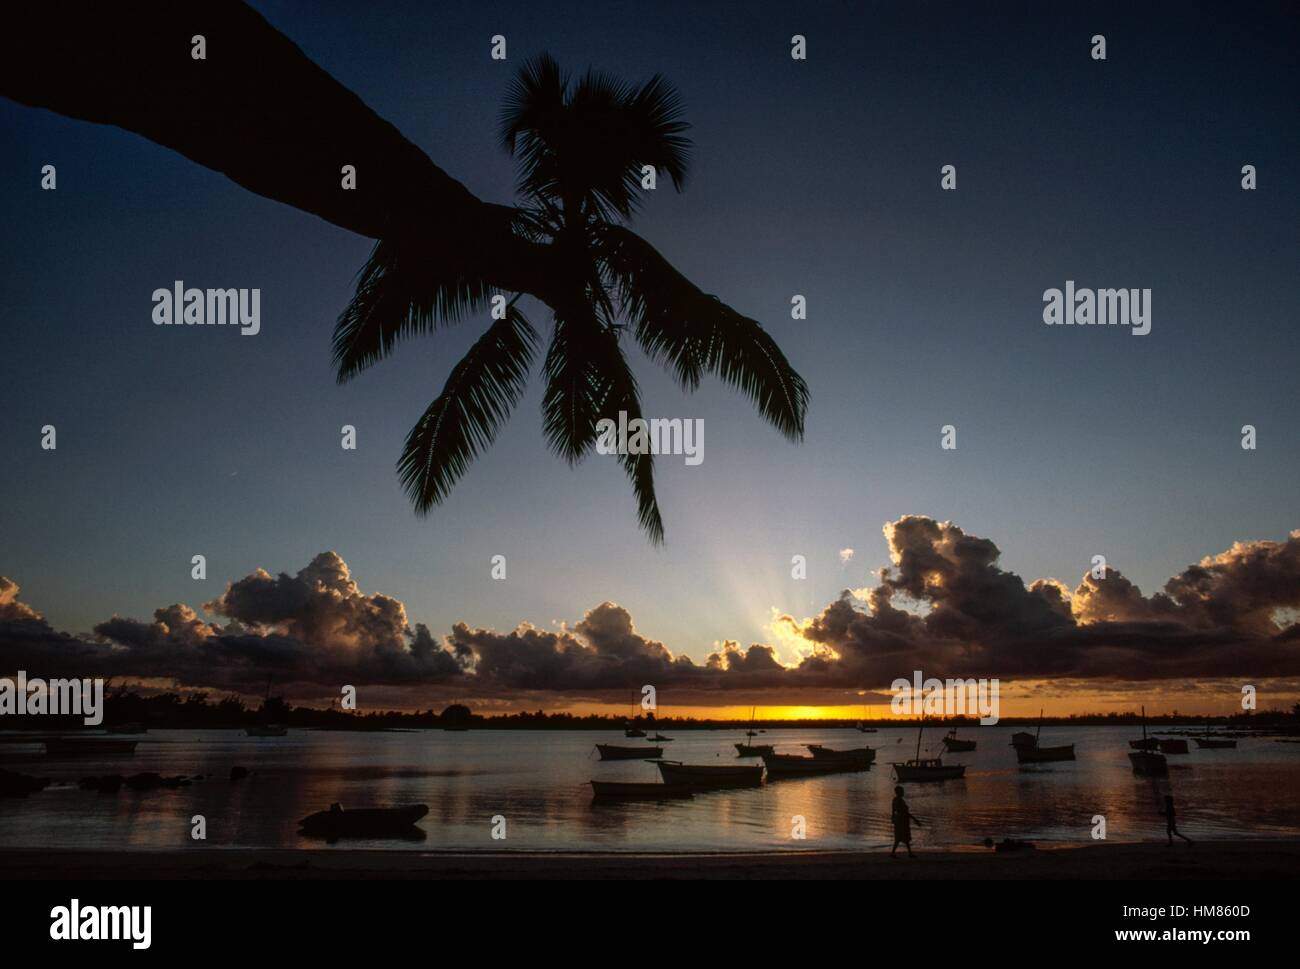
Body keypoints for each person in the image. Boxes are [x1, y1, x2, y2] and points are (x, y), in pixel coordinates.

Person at [891, 785, 922, 858]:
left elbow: (893, 810)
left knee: (900, 836)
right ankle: (907, 853)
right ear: (899, 792)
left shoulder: (894, 799)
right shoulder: (900, 801)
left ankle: (907, 853)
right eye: (902, 791)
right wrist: (915, 819)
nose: (903, 792)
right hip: (902, 820)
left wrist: (893, 818)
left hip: (898, 819)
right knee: (903, 836)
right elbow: (905, 812)